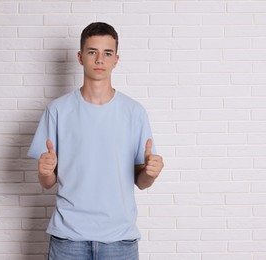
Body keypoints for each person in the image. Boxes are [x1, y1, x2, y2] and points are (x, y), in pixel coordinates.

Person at [27, 22, 164, 260]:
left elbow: (141, 182)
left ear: (116, 59)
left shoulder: (134, 112)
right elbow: (47, 182)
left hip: (119, 240)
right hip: (68, 239)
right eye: (93, 52)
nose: (100, 59)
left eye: (107, 53)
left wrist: (151, 174)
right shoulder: (58, 110)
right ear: (80, 57)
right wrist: (45, 172)